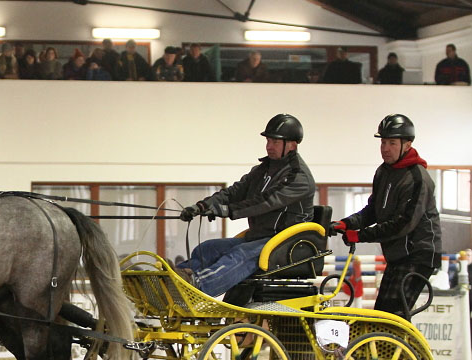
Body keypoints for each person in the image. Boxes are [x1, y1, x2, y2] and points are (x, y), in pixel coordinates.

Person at [176, 114, 315, 297]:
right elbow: (234, 192)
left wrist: (227, 211)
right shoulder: (264, 169)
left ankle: (195, 287)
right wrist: (202, 206)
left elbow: (265, 202)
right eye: (268, 141)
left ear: (292, 145)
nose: (268, 146)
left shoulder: (298, 177)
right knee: (207, 248)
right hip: (259, 237)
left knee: (241, 254)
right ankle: (174, 278)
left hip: (284, 243)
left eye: (274, 142)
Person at [330, 115, 441, 319]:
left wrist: (360, 235)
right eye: (383, 142)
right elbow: (373, 210)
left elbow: (403, 224)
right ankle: (391, 350)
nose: (385, 148)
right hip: (398, 254)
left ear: (407, 145)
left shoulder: (417, 178)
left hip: (418, 254)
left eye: (391, 143)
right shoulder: (383, 172)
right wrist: (346, 223)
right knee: (383, 315)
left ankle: (397, 349)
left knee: (392, 316)